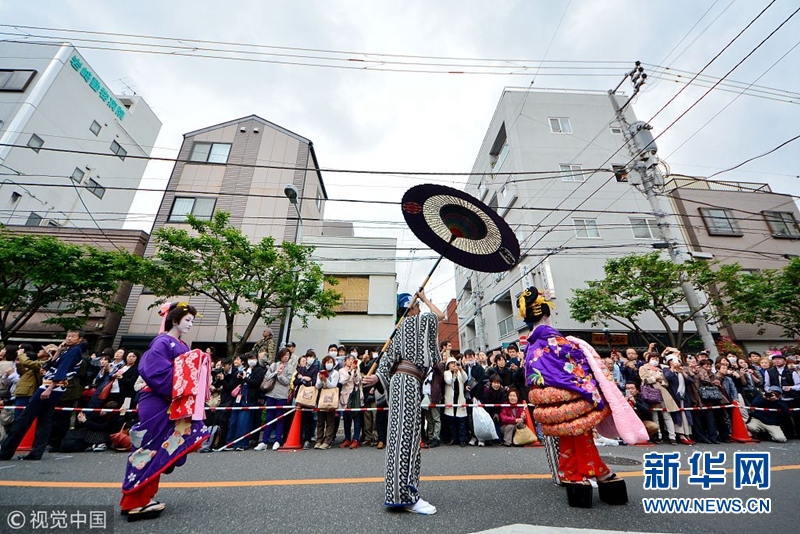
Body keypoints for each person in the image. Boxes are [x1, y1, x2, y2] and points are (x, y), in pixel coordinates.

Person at [519, 286, 644, 507]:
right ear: (546, 313)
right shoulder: (551, 336)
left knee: (571, 433)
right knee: (579, 431)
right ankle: (596, 472)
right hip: (569, 392)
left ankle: (571, 473)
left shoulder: (531, 343)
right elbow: (572, 359)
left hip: (549, 395)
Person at [119, 302, 210, 521]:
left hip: (171, 400)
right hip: (160, 399)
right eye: (187, 320)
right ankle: (134, 501)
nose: (190, 324)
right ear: (174, 320)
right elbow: (152, 370)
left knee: (160, 446)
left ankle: (144, 497)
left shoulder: (180, 345)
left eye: (192, 321)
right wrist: (181, 390)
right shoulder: (162, 342)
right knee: (150, 446)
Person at [363, 290, 443, 515]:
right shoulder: (419, 321)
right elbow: (440, 316)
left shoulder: (398, 331)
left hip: (400, 380)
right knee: (406, 436)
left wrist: (377, 376)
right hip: (408, 381)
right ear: (413, 308)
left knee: (402, 435)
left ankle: (400, 491)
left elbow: (388, 359)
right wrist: (425, 298)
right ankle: (405, 496)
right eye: (417, 305)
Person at [1, 329, 85, 461]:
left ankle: (6, 451)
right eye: (68, 336)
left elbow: (61, 371)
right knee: (45, 420)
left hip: (49, 387)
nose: (69, 338)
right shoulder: (69, 351)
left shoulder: (74, 351)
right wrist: (59, 350)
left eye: (73, 337)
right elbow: (51, 364)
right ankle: (37, 452)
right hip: (56, 389)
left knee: (25, 418)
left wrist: (49, 389)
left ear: (79, 339)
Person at [256, 348, 296, 450]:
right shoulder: (274, 365)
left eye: (288, 355)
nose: (286, 357)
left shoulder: (290, 367)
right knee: (269, 418)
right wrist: (276, 373)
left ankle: (278, 440)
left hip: (282, 395)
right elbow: (267, 376)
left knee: (280, 418)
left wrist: (280, 375)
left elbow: (287, 381)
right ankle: (265, 441)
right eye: (284, 355)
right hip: (271, 394)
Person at [639, 352, 678, 445]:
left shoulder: (661, 369)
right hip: (651, 393)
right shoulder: (643, 368)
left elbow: (666, 383)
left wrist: (662, 382)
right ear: (649, 358)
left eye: (657, 358)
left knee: (667, 415)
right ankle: (658, 435)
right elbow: (644, 380)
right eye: (653, 358)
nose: (655, 359)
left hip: (663, 394)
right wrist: (654, 378)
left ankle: (672, 436)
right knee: (655, 415)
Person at [314, 355, 339, 449]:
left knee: (330, 420)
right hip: (322, 397)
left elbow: (333, 385)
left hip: (331, 396)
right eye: (327, 362)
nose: (329, 364)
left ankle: (327, 441)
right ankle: (319, 440)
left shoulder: (335, 373)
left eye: (331, 362)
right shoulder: (319, 373)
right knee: (320, 420)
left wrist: (326, 380)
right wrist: (321, 380)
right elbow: (317, 386)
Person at [339, 354, 363, 449]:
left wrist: (355, 371)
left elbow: (358, 381)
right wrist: (349, 372)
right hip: (346, 396)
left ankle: (356, 439)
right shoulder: (341, 371)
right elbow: (342, 381)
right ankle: (347, 438)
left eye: (352, 359)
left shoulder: (356, 369)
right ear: (345, 361)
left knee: (357, 418)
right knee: (346, 419)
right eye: (349, 359)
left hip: (356, 396)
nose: (351, 361)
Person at [442, 357, 468, 446]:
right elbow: (449, 382)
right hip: (450, 398)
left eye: (455, 363)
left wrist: (461, 370)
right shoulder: (446, 373)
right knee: (451, 421)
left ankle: (462, 439)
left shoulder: (460, 372)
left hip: (460, 397)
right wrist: (454, 374)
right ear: (448, 365)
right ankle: (453, 438)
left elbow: (465, 379)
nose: (453, 365)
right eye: (451, 363)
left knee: (461, 421)